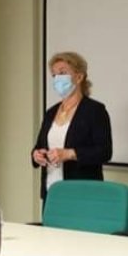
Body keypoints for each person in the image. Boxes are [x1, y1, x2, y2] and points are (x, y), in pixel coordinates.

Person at [31, 51, 113, 200]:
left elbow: (105, 152)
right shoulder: (51, 113)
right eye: (54, 75)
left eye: (62, 73)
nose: (57, 79)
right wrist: (36, 155)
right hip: (51, 192)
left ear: (79, 77)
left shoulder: (94, 111)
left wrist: (70, 153)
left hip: (82, 194)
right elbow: (39, 145)